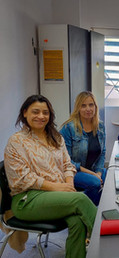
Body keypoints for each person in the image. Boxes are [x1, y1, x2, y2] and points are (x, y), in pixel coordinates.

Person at [4, 95, 97, 258]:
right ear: (25, 113)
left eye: (45, 113)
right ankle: (111, 245)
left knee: (77, 222)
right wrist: (59, 187)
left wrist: (69, 185)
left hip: (55, 194)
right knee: (80, 199)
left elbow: (68, 165)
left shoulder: (55, 137)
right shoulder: (16, 141)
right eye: (35, 112)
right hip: (27, 200)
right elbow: (24, 178)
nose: (41, 116)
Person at [60, 91, 106, 206]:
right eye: (83, 105)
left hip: (94, 169)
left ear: (95, 107)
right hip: (73, 172)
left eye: (91, 105)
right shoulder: (68, 128)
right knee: (95, 183)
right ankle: (83, 208)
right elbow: (67, 161)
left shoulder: (100, 126)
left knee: (111, 177)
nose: (88, 109)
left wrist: (99, 172)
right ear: (78, 108)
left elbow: (102, 152)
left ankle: (98, 207)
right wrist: (93, 174)